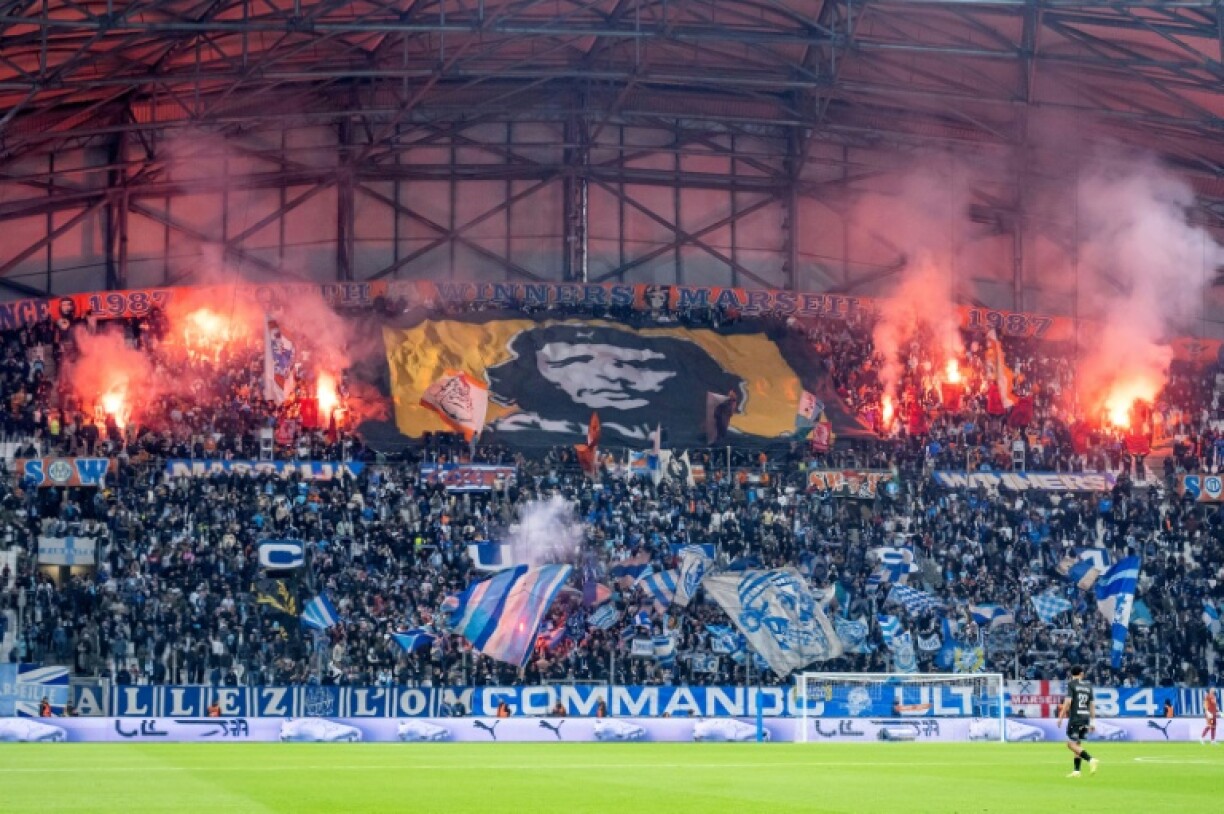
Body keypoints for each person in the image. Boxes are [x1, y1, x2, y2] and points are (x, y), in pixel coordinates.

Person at [1057, 666, 1099, 778]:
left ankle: (1091, 759)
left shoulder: (1072, 684)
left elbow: (1068, 702)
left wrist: (1061, 717)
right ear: (1081, 673)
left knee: (1070, 744)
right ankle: (1077, 771)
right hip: (1085, 718)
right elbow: (1092, 705)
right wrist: (1093, 722)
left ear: (1072, 674)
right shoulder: (1088, 686)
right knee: (1077, 744)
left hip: (1076, 718)